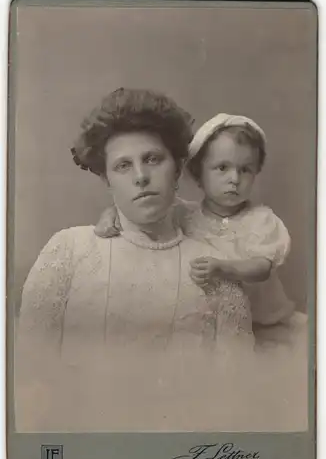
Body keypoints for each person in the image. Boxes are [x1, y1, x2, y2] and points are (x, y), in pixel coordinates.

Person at [15, 90, 255, 433]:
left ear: (177, 169)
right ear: (106, 180)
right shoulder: (67, 250)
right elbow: (30, 370)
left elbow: (237, 392)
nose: (140, 176)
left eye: (153, 159)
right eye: (123, 166)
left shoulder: (216, 268)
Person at [95, 113, 307, 347]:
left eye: (245, 169)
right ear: (198, 175)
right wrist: (111, 215)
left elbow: (261, 268)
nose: (234, 178)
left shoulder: (261, 220)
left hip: (267, 325)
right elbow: (141, 213)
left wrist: (225, 267)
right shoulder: (186, 214)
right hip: (216, 323)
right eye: (222, 168)